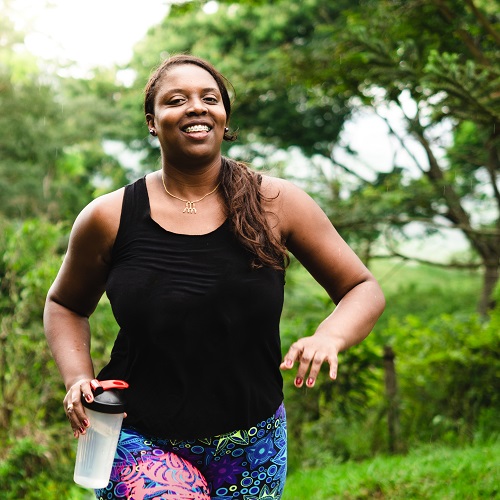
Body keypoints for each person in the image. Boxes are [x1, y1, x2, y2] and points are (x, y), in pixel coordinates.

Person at [44, 54, 385, 499]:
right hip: (136, 433)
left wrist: (330, 336)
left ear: (224, 117)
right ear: (152, 121)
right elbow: (66, 304)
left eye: (210, 98)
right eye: (177, 99)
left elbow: (362, 287)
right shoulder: (109, 217)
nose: (197, 107)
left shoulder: (276, 203)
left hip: (252, 440)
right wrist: (77, 378)